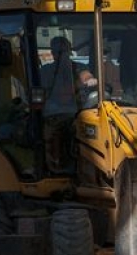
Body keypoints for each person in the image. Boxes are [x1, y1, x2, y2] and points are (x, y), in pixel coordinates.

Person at [39, 36, 97, 172]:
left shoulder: (78, 67)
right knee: (51, 132)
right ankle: (54, 165)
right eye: (57, 52)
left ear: (69, 52)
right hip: (53, 112)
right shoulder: (46, 71)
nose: (60, 55)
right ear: (52, 53)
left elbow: (86, 76)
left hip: (78, 110)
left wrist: (90, 80)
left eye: (63, 51)